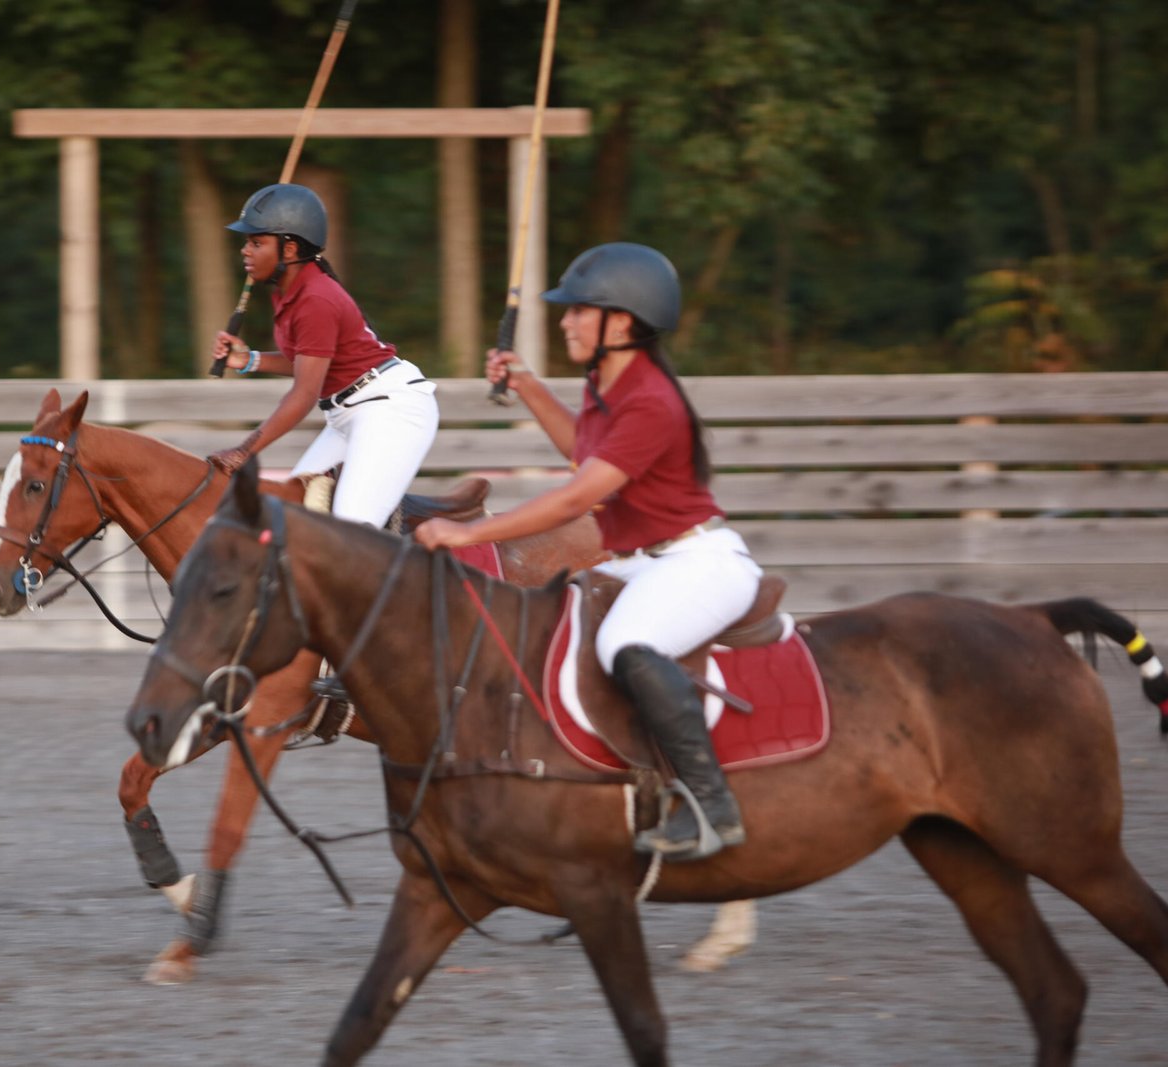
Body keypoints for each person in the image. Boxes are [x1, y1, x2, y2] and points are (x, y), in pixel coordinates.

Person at [415, 242, 761, 862]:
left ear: (621, 323)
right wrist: (524, 383)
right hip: (647, 558)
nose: (566, 321)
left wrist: (468, 535)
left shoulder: (652, 400)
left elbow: (577, 499)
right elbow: (585, 450)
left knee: (624, 645)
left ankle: (712, 806)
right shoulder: (610, 386)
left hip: (698, 561)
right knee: (553, 615)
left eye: (578, 311)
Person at [209, 183, 439, 527]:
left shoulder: (316, 298)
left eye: (257, 242)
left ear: (289, 250)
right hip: (348, 414)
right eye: (247, 242)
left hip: (390, 412)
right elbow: (312, 362)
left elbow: (304, 394)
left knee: (347, 533)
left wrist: (245, 451)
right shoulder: (292, 291)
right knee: (296, 517)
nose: (245, 250)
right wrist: (250, 360)